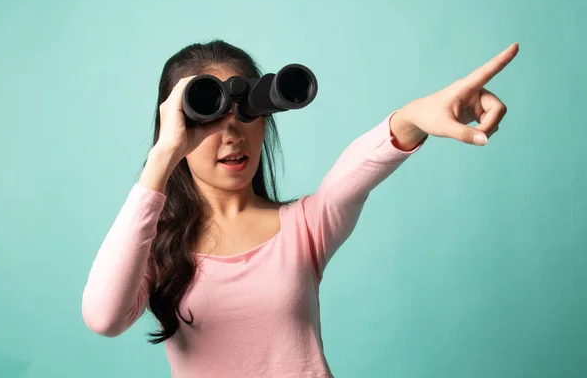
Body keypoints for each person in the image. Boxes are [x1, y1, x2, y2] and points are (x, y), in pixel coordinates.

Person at [81, 39, 518, 377]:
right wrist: (163, 156)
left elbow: (355, 173)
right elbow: (104, 317)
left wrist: (414, 115)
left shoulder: (304, 226)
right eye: (210, 118)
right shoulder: (152, 248)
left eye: (247, 113)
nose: (232, 133)